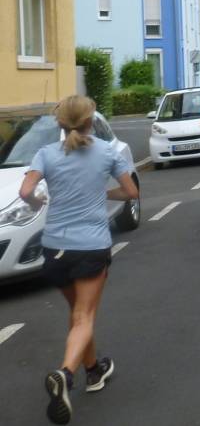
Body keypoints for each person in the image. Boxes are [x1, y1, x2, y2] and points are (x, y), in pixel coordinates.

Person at [19, 96, 139, 424]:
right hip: (90, 246)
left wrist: (37, 201)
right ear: (90, 122)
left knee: (77, 315)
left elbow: (25, 191)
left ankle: (94, 370)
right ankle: (66, 374)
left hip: (54, 248)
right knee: (85, 317)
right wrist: (102, 193)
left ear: (59, 123)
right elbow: (131, 192)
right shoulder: (106, 152)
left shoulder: (46, 153)